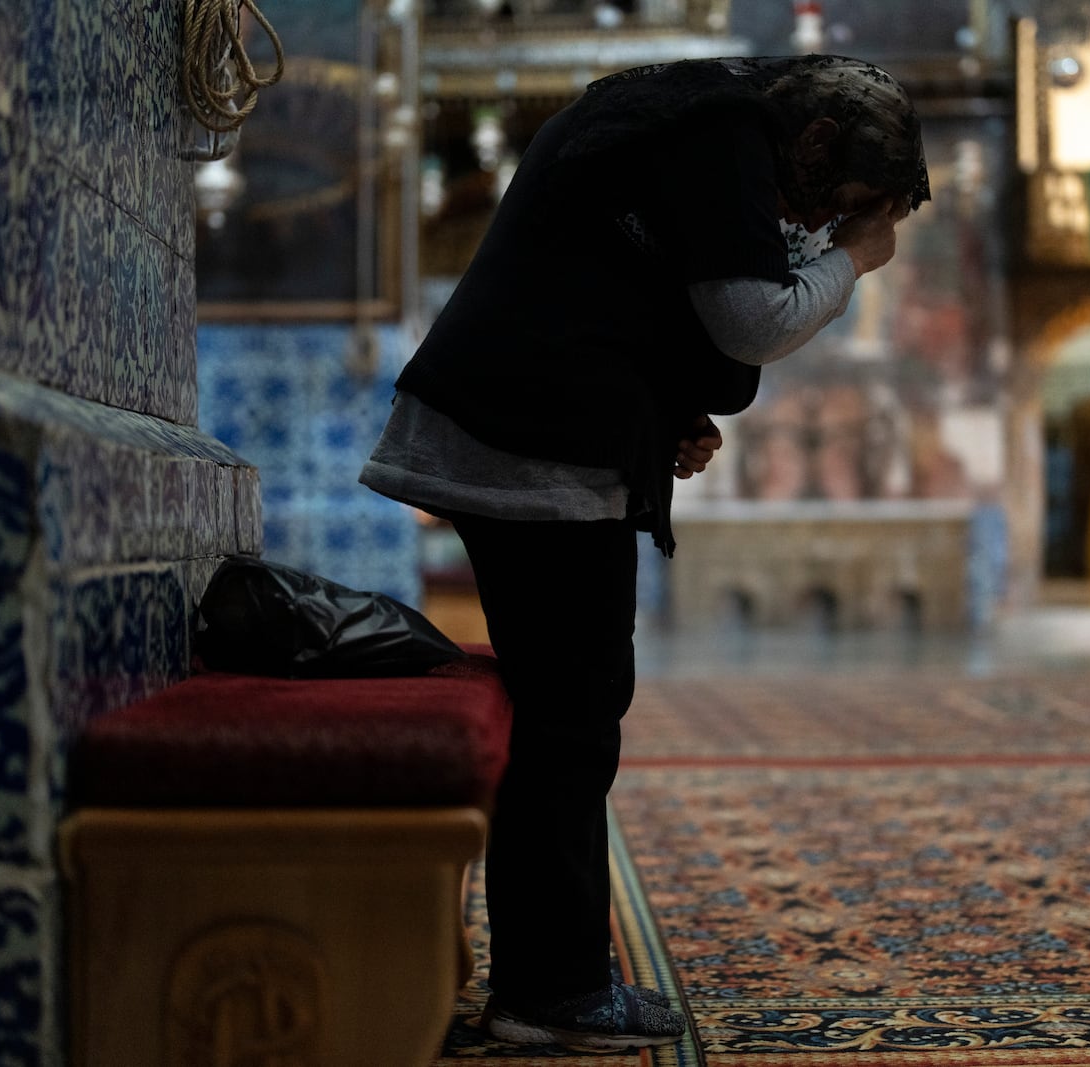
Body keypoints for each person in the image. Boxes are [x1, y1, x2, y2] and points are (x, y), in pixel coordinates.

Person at [359, 54, 929, 1049]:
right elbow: (750, 320)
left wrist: (662, 410)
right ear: (814, 143)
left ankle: (556, 979)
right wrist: (858, 260)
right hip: (524, 444)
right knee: (572, 719)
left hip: (523, 432)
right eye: (838, 207)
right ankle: (549, 990)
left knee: (571, 709)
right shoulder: (720, 131)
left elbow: (617, 289)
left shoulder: (689, 122)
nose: (822, 230)